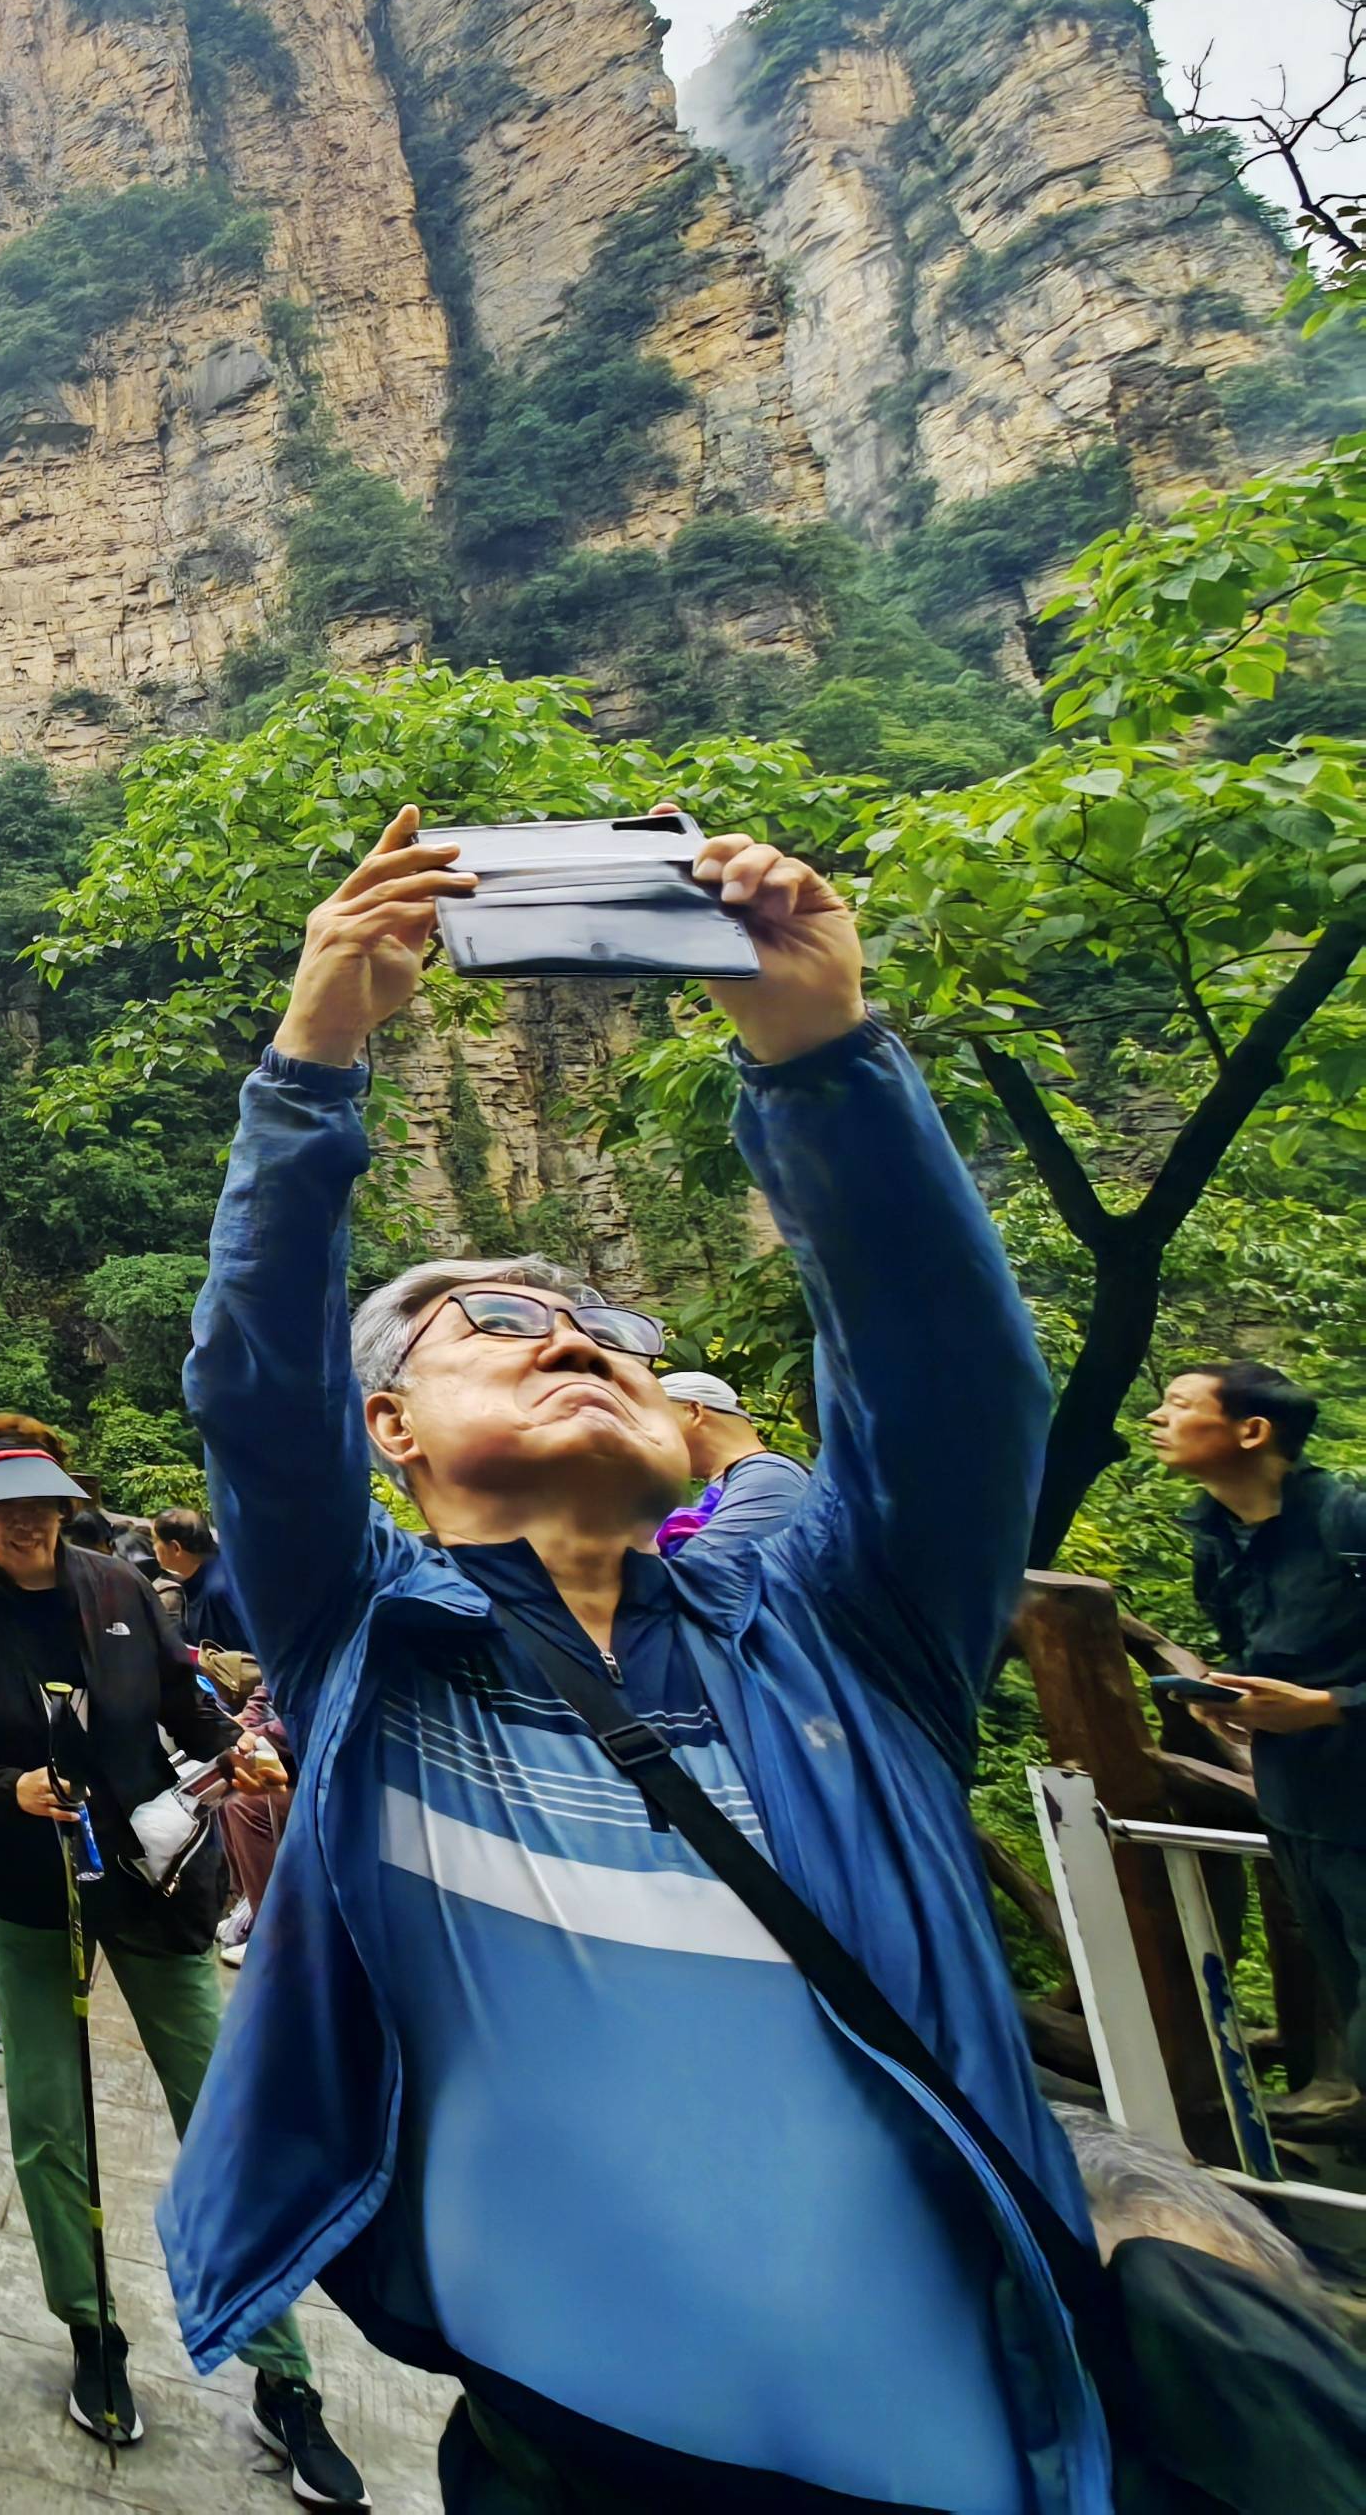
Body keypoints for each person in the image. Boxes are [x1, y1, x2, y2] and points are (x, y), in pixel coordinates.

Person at [165, 811, 1111, 2514]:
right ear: (390, 1428)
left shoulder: (840, 1634)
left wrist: (820, 1050)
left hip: (950, 2457)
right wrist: (315, 1057)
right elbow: (252, 1390)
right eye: (507, 1328)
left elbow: (954, 1384)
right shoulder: (374, 1642)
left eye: (617, 1336)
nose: (582, 1342)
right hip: (553, 2452)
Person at [0, 1441, 357, 2487]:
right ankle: (90, 2327)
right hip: (30, 1887)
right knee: (46, 2118)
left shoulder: (114, 1584)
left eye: (44, 1507)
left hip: (150, 1877)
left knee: (216, 2104)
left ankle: (281, 2373)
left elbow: (176, 1699)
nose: (27, 1524)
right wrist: (2, 1785)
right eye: (2, 1511)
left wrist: (231, 1745)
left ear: (68, 1509)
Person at [1156, 1359, 1366, 2127]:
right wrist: (1230, 1696)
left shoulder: (1349, 1522)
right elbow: (1256, 1651)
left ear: (1252, 1431)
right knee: (1343, 1983)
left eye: (1180, 1405)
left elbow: (1325, 1688)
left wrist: (1330, 1706)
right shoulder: (1215, 1538)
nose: (1157, 1418)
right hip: (1297, 1801)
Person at [650, 1373, 816, 1554]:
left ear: (693, 1412)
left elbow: (707, 1570)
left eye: (651, 1422)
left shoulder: (771, 1476)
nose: (644, 1435)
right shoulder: (736, 1481)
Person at [143, 1505, 248, 1656]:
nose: (153, 1547)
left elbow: (242, 1658)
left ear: (175, 1548)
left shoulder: (219, 1590)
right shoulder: (203, 1574)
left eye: (155, 1540)